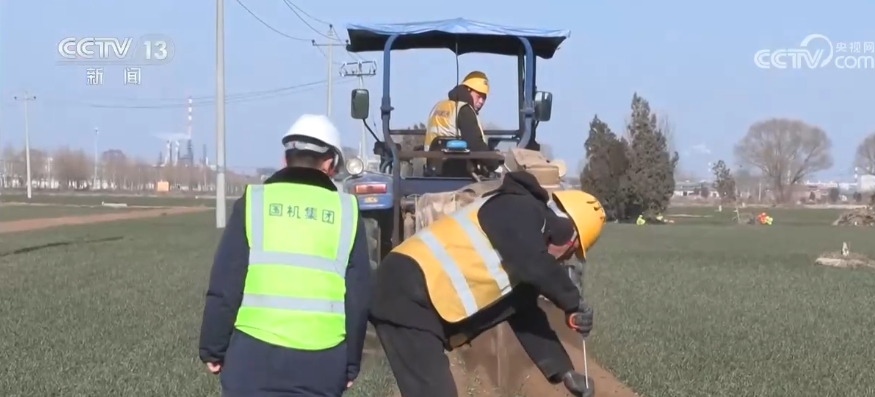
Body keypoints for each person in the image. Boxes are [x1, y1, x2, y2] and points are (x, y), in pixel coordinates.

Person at [369, 171, 605, 397]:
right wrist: (573, 303)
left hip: (418, 300)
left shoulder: (524, 250)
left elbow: (527, 316)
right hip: (406, 290)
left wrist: (565, 372)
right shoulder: (518, 208)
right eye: (570, 254)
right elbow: (535, 264)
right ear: (569, 236)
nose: (563, 261)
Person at [198, 114, 372, 397]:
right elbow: (358, 297)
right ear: (330, 164)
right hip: (322, 361)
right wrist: (351, 363)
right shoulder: (348, 211)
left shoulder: (254, 201)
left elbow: (225, 282)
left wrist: (212, 348)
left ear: (285, 160)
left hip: (252, 357)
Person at [425, 71, 502, 176]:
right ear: (468, 90)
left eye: (484, 98)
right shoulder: (464, 110)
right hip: (457, 172)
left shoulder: (438, 106)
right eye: (478, 96)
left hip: (432, 169)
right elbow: (475, 144)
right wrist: (495, 164)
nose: (481, 102)